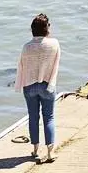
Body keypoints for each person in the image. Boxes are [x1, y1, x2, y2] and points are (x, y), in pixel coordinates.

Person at [15, 13, 60, 164]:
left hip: (29, 85)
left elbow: (21, 67)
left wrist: (19, 85)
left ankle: (35, 150)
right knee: (49, 117)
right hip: (47, 85)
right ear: (47, 28)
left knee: (33, 117)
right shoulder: (54, 44)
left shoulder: (26, 47)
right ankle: (50, 152)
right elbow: (55, 65)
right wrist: (51, 84)